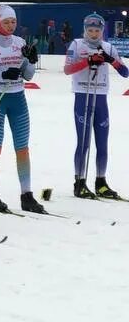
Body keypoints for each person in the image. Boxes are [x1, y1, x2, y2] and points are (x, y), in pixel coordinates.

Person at [0, 4, 41, 214]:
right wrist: (2, 75)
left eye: (13, 21)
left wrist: (31, 61)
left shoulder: (20, 42)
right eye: (6, 22)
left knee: (22, 147)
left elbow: (28, 75)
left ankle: (26, 194)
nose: (11, 25)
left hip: (17, 99)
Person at [65, 13, 127, 199]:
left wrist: (110, 60)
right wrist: (88, 61)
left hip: (100, 97)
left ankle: (101, 182)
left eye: (97, 30)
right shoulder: (76, 44)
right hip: (83, 95)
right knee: (83, 142)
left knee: (102, 143)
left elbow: (125, 72)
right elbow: (67, 69)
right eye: (90, 30)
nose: (93, 34)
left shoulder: (108, 46)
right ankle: (79, 182)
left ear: (102, 31)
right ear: (84, 29)